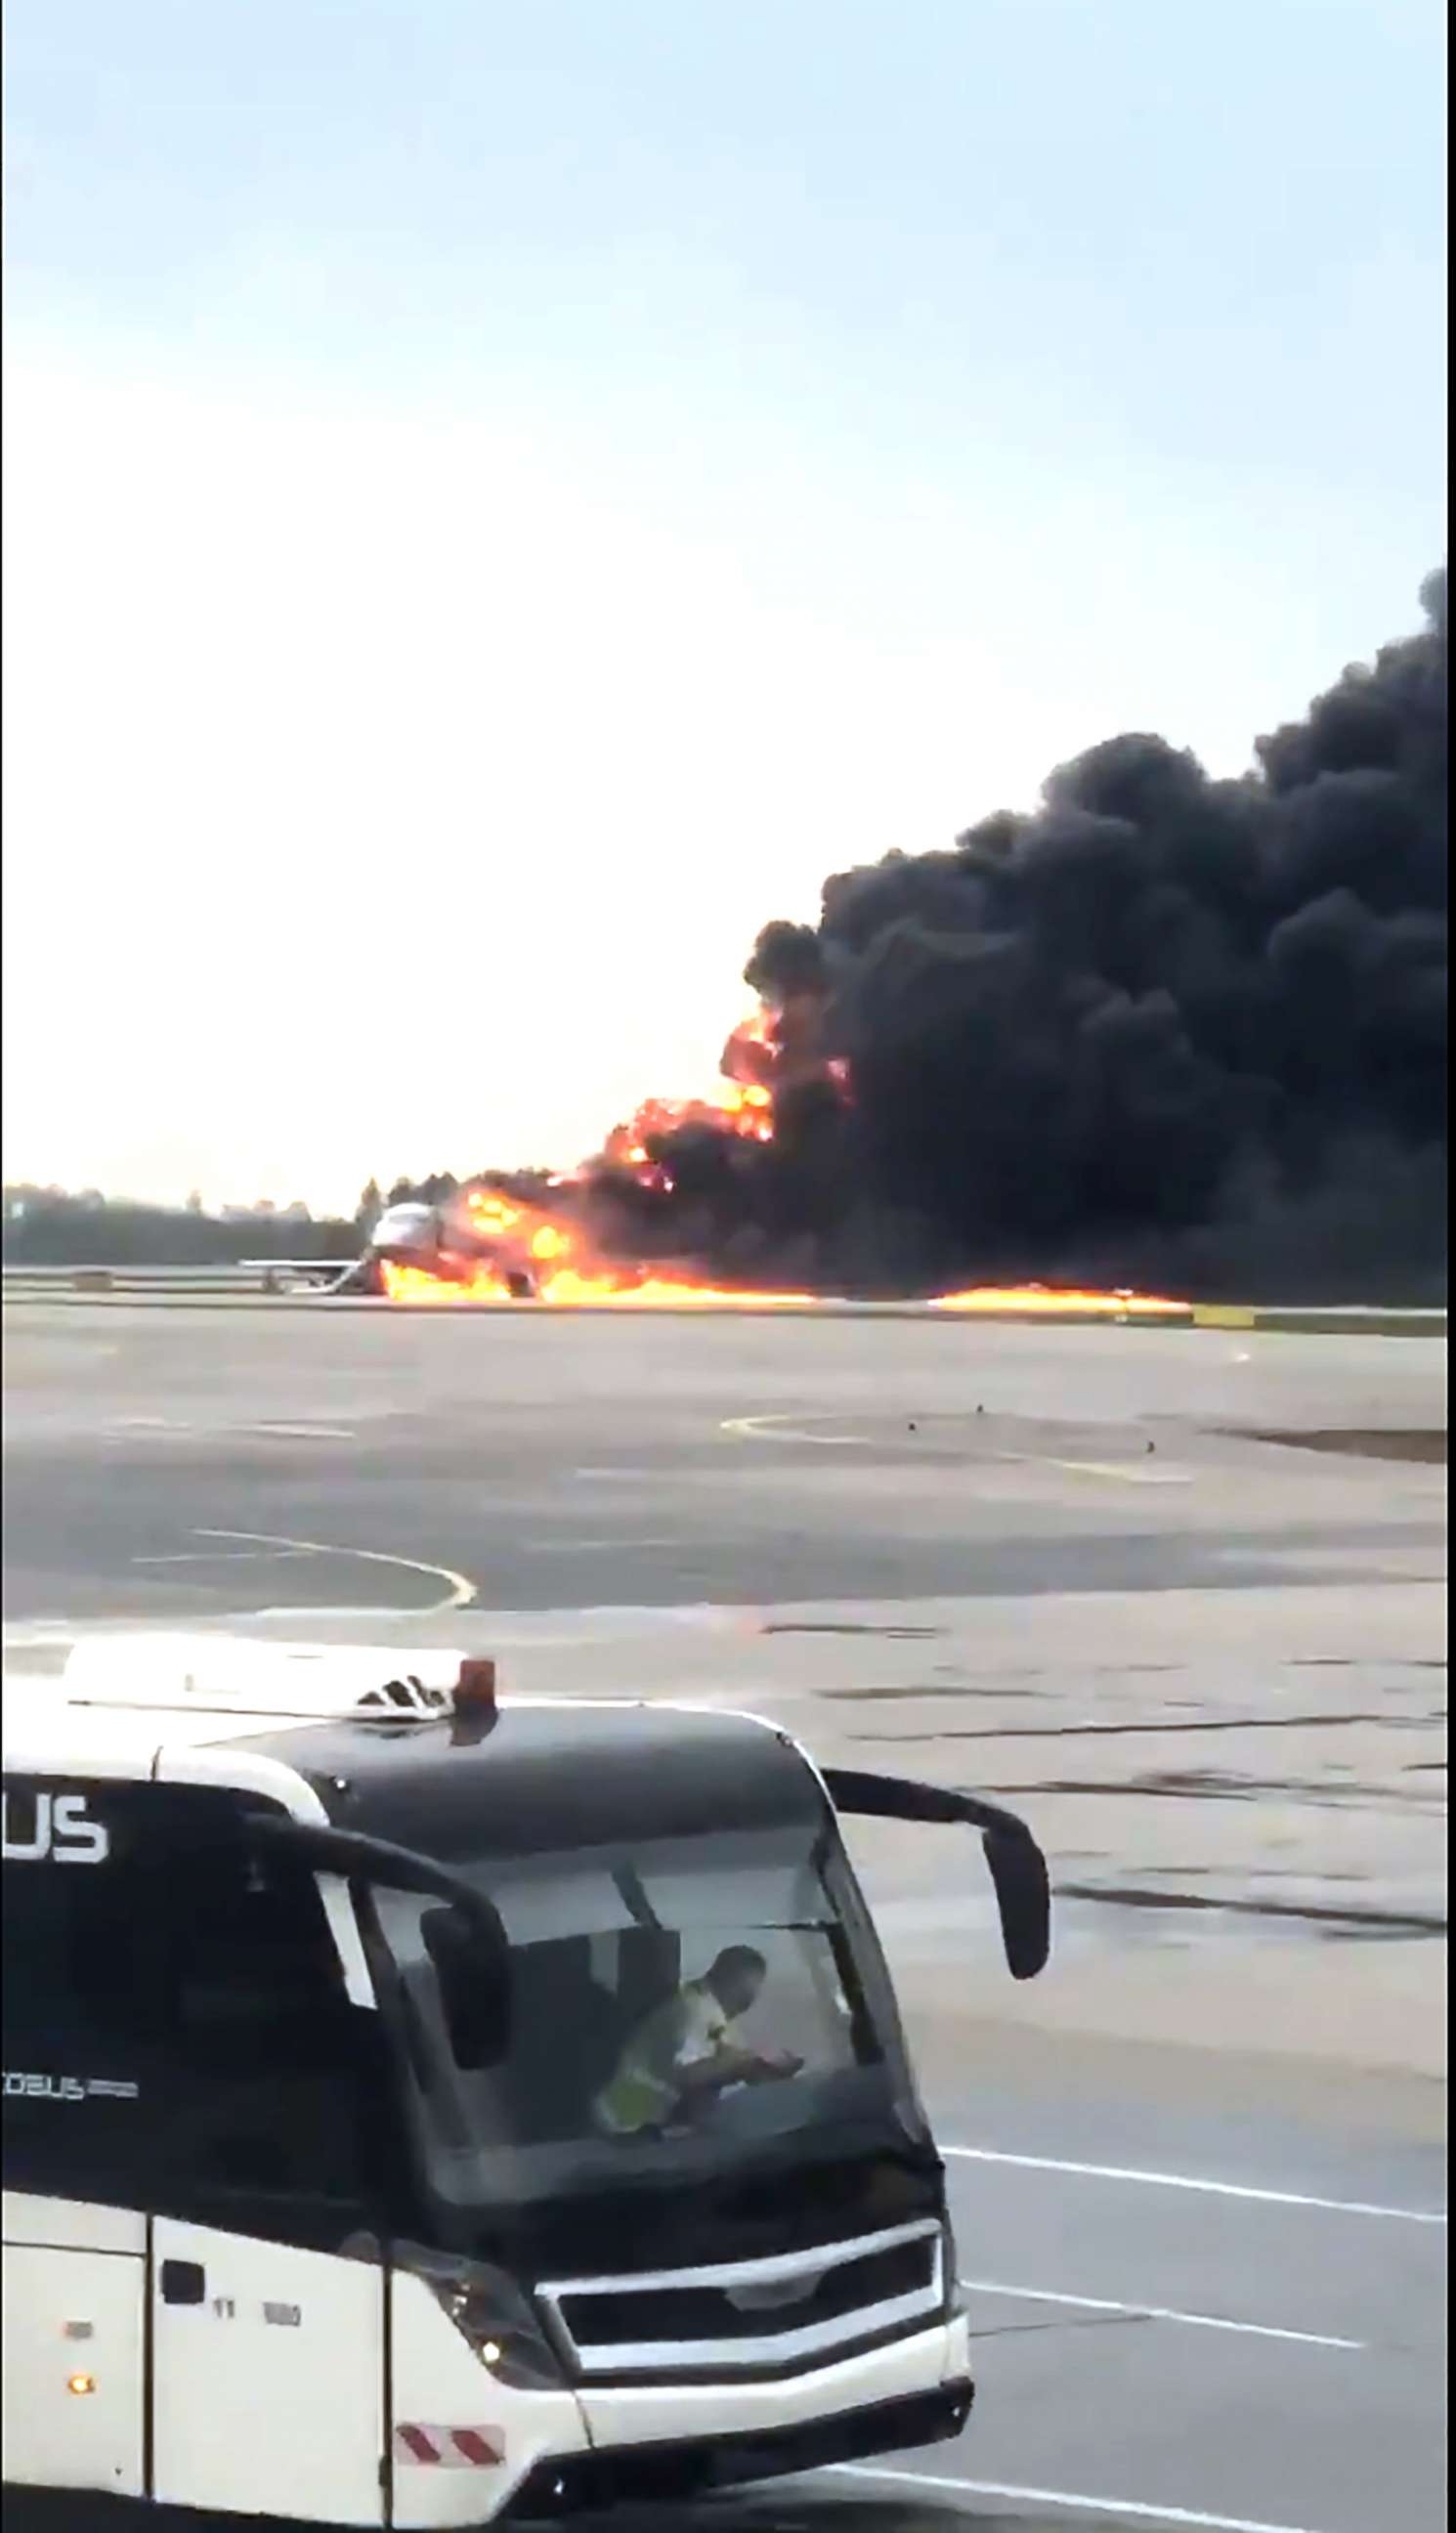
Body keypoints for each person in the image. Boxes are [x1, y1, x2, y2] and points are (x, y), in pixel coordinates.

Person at [594, 1946, 801, 2136]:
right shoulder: (692, 2011)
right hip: (626, 2126)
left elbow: (718, 2067)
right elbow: (687, 2075)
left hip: (649, 2125)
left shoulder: (710, 2011)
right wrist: (740, 2065)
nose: (753, 1997)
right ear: (735, 1981)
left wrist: (760, 2070)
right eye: (753, 1987)